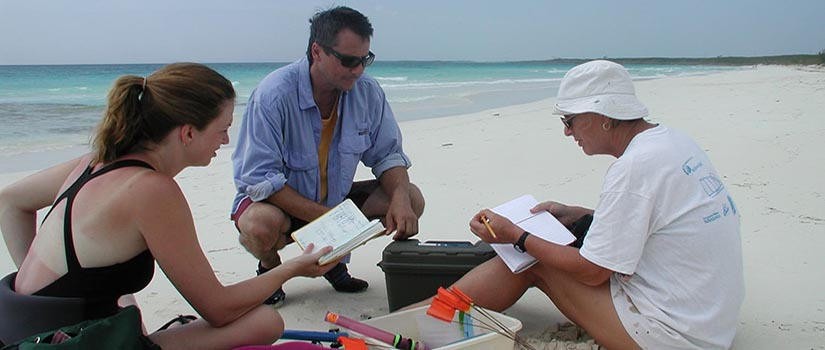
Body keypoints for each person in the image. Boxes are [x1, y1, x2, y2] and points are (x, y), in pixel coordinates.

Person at [0, 63, 338, 349]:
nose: (225, 141)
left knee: (124, 303)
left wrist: (40, 296)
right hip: (63, 342)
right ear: (188, 133)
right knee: (266, 321)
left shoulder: (97, 161)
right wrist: (294, 267)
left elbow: (10, 201)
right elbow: (218, 309)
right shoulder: (152, 190)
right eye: (222, 129)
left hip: (17, 325)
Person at [453, 60, 744, 349]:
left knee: (533, 262)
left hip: (674, 335)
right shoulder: (672, 142)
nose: (567, 132)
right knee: (550, 247)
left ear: (601, 116)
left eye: (569, 121)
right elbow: (660, 219)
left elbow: (593, 272)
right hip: (711, 320)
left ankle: (436, 315)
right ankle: (440, 310)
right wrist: (580, 214)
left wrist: (517, 236)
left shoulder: (633, 167)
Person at [231, 6, 425, 306]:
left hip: (334, 199)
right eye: (348, 61)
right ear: (317, 51)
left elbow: (388, 155)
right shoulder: (273, 95)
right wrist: (334, 220)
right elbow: (259, 180)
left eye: (365, 60)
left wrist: (399, 196)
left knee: (411, 198)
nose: (358, 70)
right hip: (281, 205)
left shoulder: (368, 92)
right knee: (258, 225)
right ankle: (269, 269)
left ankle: (334, 265)